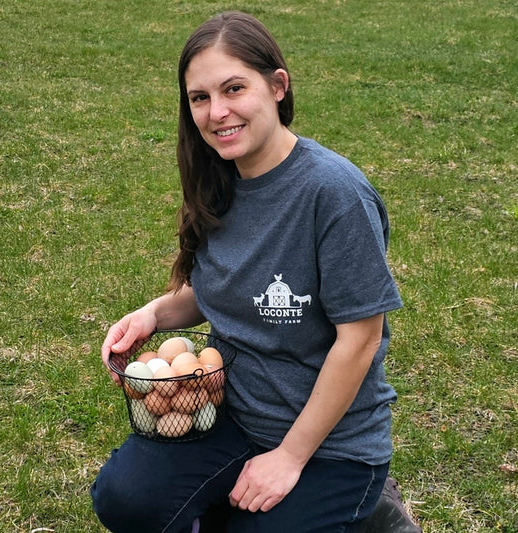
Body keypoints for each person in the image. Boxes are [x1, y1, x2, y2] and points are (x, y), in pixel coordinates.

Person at [91, 11, 422, 533]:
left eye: (234, 88)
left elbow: (360, 340)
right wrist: (153, 314)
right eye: (200, 98)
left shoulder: (334, 193)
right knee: (124, 499)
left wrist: (288, 458)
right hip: (235, 418)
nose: (217, 112)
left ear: (277, 86)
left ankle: (371, 506)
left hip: (330, 443)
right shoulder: (218, 180)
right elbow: (213, 290)